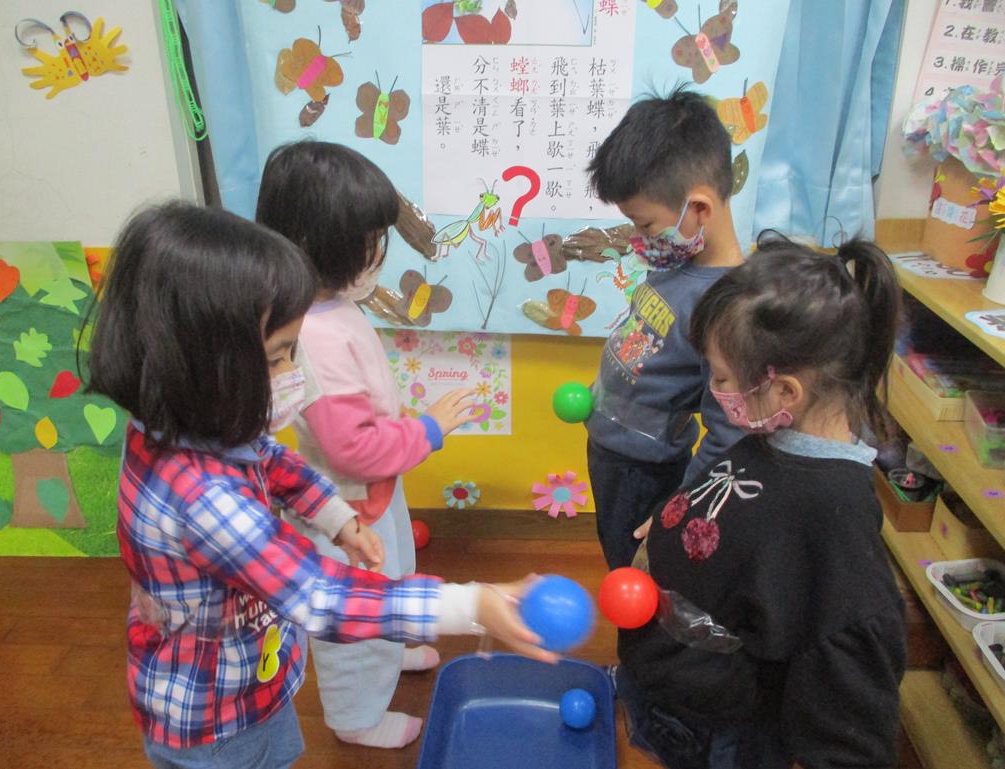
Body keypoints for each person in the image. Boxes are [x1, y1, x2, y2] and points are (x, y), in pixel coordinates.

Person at [84, 201, 554, 769]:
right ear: (199, 364)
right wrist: (470, 603)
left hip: (250, 675)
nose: (294, 377)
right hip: (217, 721)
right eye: (278, 358)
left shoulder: (178, 427)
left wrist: (336, 517)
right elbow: (321, 597)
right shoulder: (205, 500)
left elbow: (273, 462)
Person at [615, 234, 907, 769]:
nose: (714, 389)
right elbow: (744, 500)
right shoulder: (773, 433)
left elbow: (853, 669)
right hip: (673, 682)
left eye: (721, 377)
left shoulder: (832, 514)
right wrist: (676, 515)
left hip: (715, 728)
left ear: (785, 391)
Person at [255, 140, 479, 749]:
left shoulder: (327, 307)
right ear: (321, 243)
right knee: (355, 607)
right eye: (369, 239)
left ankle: (391, 642)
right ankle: (355, 715)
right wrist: (427, 430)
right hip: (347, 504)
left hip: (372, 493)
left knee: (392, 574)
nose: (379, 252)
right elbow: (350, 449)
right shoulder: (316, 332)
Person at [584, 86, 746, 570]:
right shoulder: (677, 264)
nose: (640, 239)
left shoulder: (727, 307)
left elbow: (726, 431)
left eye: (646, 225)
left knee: (637, 576)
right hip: (614, 452)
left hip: (647, 472)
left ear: (699, 209)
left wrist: (680, 505)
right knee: (617, 551)